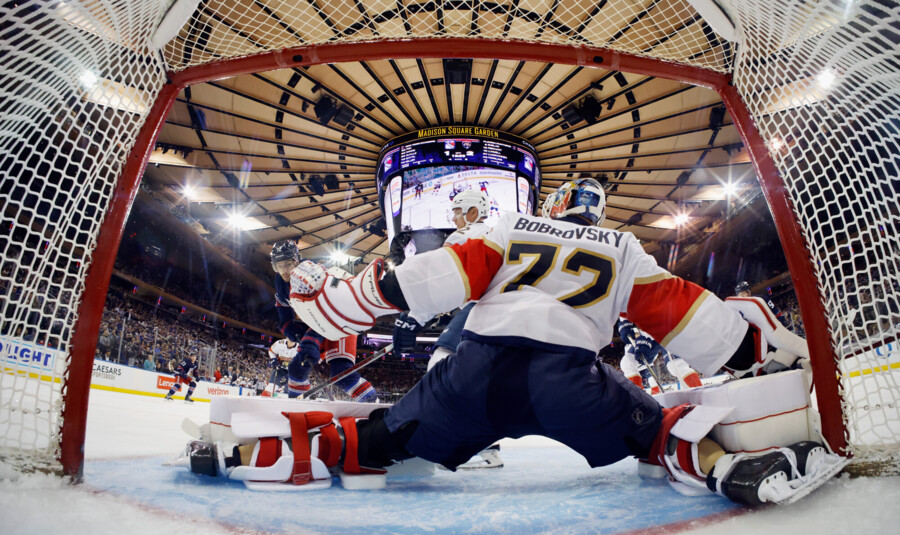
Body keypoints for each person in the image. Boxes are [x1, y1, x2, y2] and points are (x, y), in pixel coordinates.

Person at [223, 178, 840, 506]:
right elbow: (680, 314)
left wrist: (328, 303)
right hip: (570, 382)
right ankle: (720, 468)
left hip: (471, 378)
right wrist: (754, 351)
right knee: (659, 433)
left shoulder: (508, 226)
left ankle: (268, 456)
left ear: (554, 203)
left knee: (371, 441)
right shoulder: (620, 246)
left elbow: (416, 284)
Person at [393, 190, 492, 371]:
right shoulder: (497, 234)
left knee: (440, 362)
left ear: (473, 212)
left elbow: (440, 280)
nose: (453, 219)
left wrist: (414, 317)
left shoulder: (463, 236)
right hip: (514, 310)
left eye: (456, 212)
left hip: (482, 307)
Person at [270, 240, 377, 402]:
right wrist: (293, 332)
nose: (284, 270)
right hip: (319, 324)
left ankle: (371, 403)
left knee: (341, 373)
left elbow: (327, 311)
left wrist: (312, 339)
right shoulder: (280, 284)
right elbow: (284, 320)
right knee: (296, 368)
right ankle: (298, 409)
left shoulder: (312, 275)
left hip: (340, 318)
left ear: (297, 261)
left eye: (288, 264)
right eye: (279, 266)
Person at [617, 317, 702, 393]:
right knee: (627, 363)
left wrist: (645, 339)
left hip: (667, 326)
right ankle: (639, 399)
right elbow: (624, 308)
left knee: (675, 364)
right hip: (648, 333)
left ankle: (699, 394)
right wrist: (624, 322)